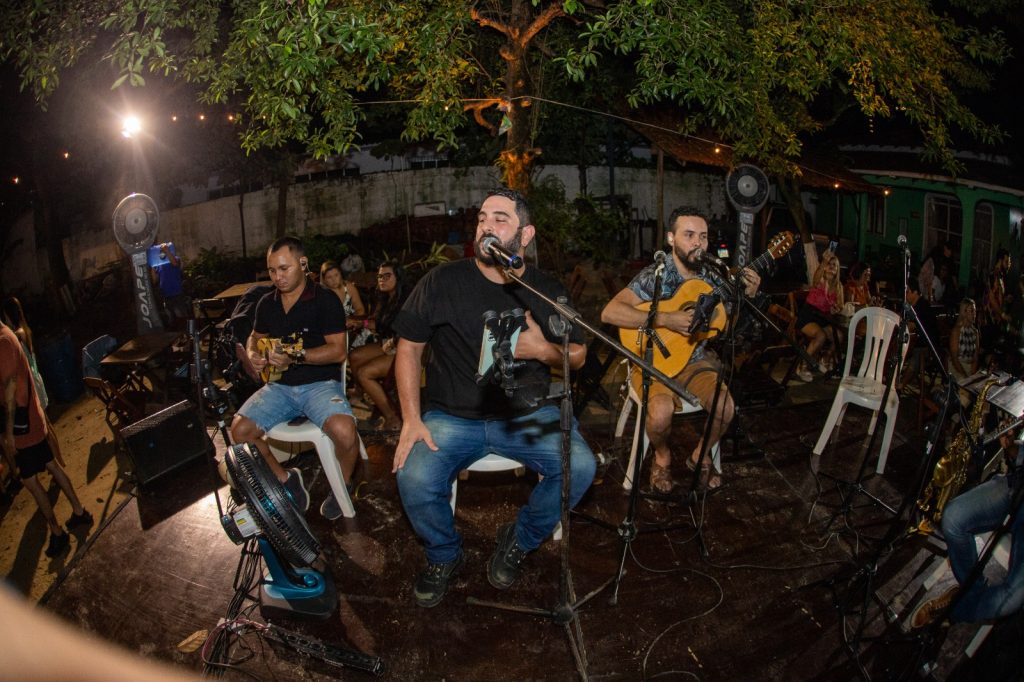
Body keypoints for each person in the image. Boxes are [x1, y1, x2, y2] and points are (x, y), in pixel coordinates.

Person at [391, 188, 596, 608]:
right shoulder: (442, 281)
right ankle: (444, 554)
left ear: (526, 234)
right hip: (452, 416)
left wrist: (542, 350)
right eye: (482, 218)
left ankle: (519, 539)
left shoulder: (544, 289)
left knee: (580, 466)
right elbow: (408, 349)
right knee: (413, 476)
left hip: (526, 414)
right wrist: (411, 418)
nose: (486, 226)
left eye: (500, 219)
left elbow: (578, 355)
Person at [601, 206, 761, 494]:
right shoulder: (656, 275)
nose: (698, 243)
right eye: (689, 235)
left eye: (703, 236)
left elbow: (728, 326)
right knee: (661, 411)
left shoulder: (714, 278)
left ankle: (700, 455)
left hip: (694, 360)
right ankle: (662, 457)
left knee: (726, 407)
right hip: (653, 360)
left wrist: (745, 297)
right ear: (671, 238)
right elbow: (610, 312)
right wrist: (665, 319)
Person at [229, 236, 360, 521]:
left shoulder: (325, 299)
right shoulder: (267, 303)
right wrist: (253, 353)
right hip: (279, 387)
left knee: (345, 432)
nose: (278, 277)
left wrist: (295, 356)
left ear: (303, 263)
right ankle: (287, 479)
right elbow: (255, 337)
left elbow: (338, 351)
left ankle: (344, 482)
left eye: (284, 268)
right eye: (272, 270)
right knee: (239, 432)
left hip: (320, 385)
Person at [912, 418, 1024, 628]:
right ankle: (972, 592)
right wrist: (1011, 447)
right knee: (954, 518)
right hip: (1016, 486)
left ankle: (955, 609)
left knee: (1013, 599)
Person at [1, 320, 92, 557]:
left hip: (23, 425)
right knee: (52, 465)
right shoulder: (6, 336)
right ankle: (80, 512)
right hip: (30, 419)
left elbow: (10, 390)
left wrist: (9, 432)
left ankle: (57, 532)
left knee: (30, 481)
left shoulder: (3, 342)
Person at [1, 297, 65, 467]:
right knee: (47, 425)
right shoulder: (24, 330)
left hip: (33, 384)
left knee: (46, 429)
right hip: (35, 379)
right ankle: (59, 461)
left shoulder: (17, 334)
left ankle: (58, 461)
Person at [348, 260, 408, 431]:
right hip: (388, 344)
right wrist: (360, 323)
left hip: (404, 349)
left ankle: (392, 417)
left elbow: (410, 330)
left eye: (387, 276)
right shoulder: (386, 298)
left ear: (398, 277)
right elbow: (379, 324)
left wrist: (394, 342)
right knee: (354, 356)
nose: (382, 279)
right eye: (380, 276)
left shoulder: (407, 300)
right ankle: (360, 392)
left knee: (364, 373)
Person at [795, 250, 844, 382]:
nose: (831, 267)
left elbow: (840, 305)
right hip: (808, 315)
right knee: (820, 335)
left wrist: (836, 309)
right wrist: (824, 261)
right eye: (829, 264)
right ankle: (802, 366)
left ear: (838, 270)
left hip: (823, 318)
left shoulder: (838, 286)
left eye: (834, 265)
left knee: (839, 336)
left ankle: (825, 359)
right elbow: (816, 276)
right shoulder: (820, 280)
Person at [320, 260, 370, 350]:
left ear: (340, 274)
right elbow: (323, 320)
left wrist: (353, 320)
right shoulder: (322, 295)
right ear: (324, 280)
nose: (334, 280)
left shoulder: (349, 287)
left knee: (367, 335)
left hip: (353, 326)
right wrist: (343, 322)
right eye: (329, 277)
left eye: (336, 275)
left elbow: (360, 309)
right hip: (334, 332)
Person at [149, 242, 190, 328]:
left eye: (162, 251)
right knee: (171, 318)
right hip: (166, 295)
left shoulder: (175, 259)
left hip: (177, 293)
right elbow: (155, 280)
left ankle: (188, 332)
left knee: (181, 315)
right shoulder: (159, 265)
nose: (162, 253)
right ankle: (178, 333)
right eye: (160, 252)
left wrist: (167, 250)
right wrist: (152, 265)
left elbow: (175, 263)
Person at [948, 297, 980, 408]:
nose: (974, 314)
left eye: (975, 311)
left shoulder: (975, 332)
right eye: (972, 311)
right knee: (966, 391)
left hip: (970, 367)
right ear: (964, 312)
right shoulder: (957, 331)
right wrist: (966, 376)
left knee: (982, 390)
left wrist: (972, 375)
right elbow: (954, 358)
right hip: (957, 367)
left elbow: (975, 357)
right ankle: (957, 415)